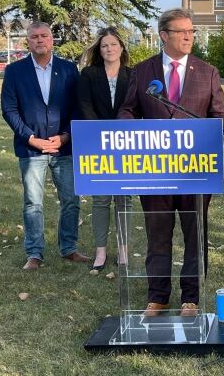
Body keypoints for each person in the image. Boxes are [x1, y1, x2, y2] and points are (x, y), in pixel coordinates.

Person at [118, 8, 224, 317]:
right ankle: (158, 296)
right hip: (153, 170)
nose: (188, 36)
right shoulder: (142, 72)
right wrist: (128, 124)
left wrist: (203, 130)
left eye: (191, 31)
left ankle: (190, 298)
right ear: (163, 35)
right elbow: (127, 109)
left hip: (195, 170)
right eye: (182, 31)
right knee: (158, 233)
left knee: (195, 233)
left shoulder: (207, 72)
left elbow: (222, 116)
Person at [1, 22, 87, 270]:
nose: (39, 40)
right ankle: (35, 253)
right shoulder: (15, 71)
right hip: (31, 148)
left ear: (52, 40)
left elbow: (78, 108)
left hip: (64, 147)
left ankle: (68, 248)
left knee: (71, 199)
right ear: (28, 41)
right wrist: (30, 138)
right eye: (34, 36)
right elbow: (9, 109)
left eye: (44, 36)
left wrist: (65, 137)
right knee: (33, 202)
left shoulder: (69, 69)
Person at [77, 27, 133, 271]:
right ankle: (100, 252)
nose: (109, 49)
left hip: (127, 144)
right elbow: (85, 106)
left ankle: (123, 250)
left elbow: (136, 106)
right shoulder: (89, 74)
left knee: (124, 199)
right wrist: (101, 135)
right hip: (97, 143)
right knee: (100, 199)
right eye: (104, 46)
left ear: (121, 47)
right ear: (99, 50)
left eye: (113, 44)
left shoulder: (133, 75)